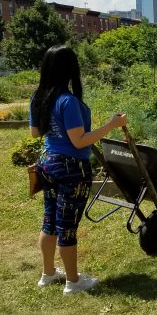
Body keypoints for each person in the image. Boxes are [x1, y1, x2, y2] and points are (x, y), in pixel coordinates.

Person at [29, 45, 127, 294]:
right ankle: (73, 282)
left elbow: (35, 133)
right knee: (67, 226)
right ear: (70, 69)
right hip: (70, 170)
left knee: (50, 220)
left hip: (47, 164)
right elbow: (80, 140)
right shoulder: (68, 101)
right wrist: (113, 124)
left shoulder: (39, 97)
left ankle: (48, 274)